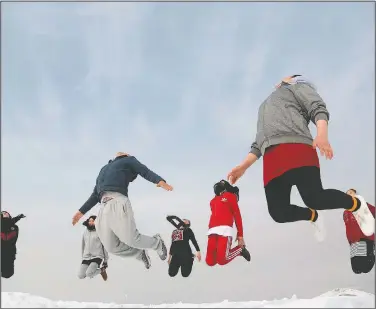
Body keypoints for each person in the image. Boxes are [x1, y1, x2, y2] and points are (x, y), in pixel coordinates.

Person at [227, 75, 375, 241]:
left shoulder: (298, 87)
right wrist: (244, 166)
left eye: (291, 76)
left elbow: (317, 107)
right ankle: (313, 216)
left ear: (293, 79)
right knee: (278, 213)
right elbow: (258, 141)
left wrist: (322, 134)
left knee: (315, 198)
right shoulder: (264, 106)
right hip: (270, 159)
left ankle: (357, 205)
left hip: (295, 147)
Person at [72, 152, 173, 270]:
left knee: (131, 239)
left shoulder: (129, 160)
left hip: (118, 202)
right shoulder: (104, 169)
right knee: (111, 246)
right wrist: (81, 212)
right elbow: (95, 194)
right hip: (103, 208)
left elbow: (144, 171)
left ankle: (157, 243)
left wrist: (159, 181)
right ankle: (139, 254)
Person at [206, 180, 251, 266]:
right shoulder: (212, 201)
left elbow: (237, 216)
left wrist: (240, 235)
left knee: (222, 260)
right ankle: (224, 254)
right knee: (210, 262)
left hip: (225, 231)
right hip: (212, 231)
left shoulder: (230, 196)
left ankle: (240, 250)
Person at [344, 189, 375, 274]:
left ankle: (371, 252)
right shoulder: (346, 212)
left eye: (351, 192)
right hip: (353, 241)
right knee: (356, 268)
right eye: (347, 194)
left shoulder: (364, 205)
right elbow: (347, 227)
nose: (349, 194)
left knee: (366, 265)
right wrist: (350, 241)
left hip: (365, 238)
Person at [78, 215, 109, 281]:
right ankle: (98, 270)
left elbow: (105, 246)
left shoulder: (100, 232)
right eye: (90, 221)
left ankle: (102, 270)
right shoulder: (85, 232)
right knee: (80, 275)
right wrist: (83, 257)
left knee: (89, 273)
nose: (91, 222)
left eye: (93, 221)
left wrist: (105, 260)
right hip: (86, 257)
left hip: (97, 256)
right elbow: (83, 245)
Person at [1, 211, 26, 279]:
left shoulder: (14, 227)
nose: (5, 214)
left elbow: (8, 224)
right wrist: (17, 218)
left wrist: (17, 218)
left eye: (6, 213)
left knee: (8, 273)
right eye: (3, 213)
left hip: (10, 251)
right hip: (3, 251)